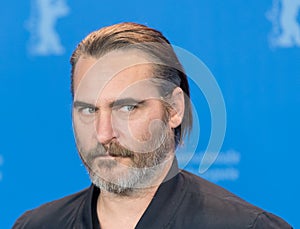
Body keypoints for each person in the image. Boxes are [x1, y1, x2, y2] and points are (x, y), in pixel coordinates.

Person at [13, 22, 292, 229]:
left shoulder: (246, 226)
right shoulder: (35, 225)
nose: (103, 133)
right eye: (88, 110)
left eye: (127, 107)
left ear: (174, 109)